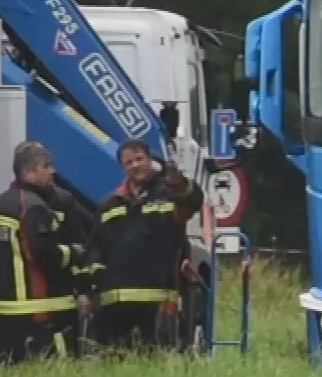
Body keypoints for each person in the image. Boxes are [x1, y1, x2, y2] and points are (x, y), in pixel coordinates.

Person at [87, 140, 203, 353]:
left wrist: (180, 184)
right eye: (128, 162)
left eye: (139, 159)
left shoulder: (170, 195)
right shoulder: (110, 203)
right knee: (114, 363)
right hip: (115, 306)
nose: (135, 165)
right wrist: (96, 281)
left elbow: (194, 200)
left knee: (156, 360)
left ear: (150, 159)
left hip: (158, 302)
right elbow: (95, 247)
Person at [0, 143, 88, 363]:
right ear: (29, 171)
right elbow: (42, 251)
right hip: (44, 312)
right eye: (46, 166)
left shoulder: (4, 202)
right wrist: (74, 253)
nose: (53, 171)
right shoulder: (33, 206)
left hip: (8, 314)